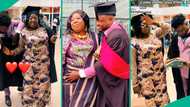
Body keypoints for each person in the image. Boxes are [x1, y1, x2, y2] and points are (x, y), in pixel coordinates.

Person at [65, 2, 130, 107]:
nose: (98, 24)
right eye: (97, 20)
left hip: (115, 85)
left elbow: (104, 65)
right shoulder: (111, 33)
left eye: (101, 21)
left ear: (112, 18)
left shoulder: (116, 36)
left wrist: (80, 73)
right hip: (106, 82)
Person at [16, 6, 53, 107]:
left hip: (43, 67)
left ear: (38, 19)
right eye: (31, 18)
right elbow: (20, 48)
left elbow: (51, 43)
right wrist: (11, 52)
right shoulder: (23, 32)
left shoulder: (45, 30)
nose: (33, 20)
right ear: (27, 19)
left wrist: (52, 40)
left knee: (42, 89)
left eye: (35, 17)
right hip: (28, 67)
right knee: (28, 90)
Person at [131, 13, 170, 107]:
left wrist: (154, 22)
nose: (147, 26)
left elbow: (167, 28)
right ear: (137, 26)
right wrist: (135, 84)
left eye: (148, 23)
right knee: (150, 102)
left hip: (160, 77)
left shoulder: (155, 34)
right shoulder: (133, 43)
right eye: (143, 24)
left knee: (163, 100)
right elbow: (133, 65)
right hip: (146, 80)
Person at [62, 9, 98, 107]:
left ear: (85, 21)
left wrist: (82, 73)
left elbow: (99, 60)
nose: (74, 21)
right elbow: (62, 61)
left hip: (89, 80)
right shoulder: (66, 38)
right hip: (71, 80)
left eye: (78, 18)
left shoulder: (95, 37)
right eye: (72, 19)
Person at [0, 12, 24, 107]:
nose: (5, 30)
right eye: (2, 28)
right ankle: (7, 95)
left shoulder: (11, 23)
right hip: (3, 52)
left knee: (18, 68)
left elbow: (22, 23)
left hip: (14, 48)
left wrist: (17, 32)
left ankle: (20, 84)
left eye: (6, 27)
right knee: (4, 73)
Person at [171, 14, 190, 97]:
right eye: (178, 31)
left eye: (182, 30)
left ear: (185, 24)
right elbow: (171, 55)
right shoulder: (176, 38)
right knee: (182, 93)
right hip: (180, 73)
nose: (180, 33)